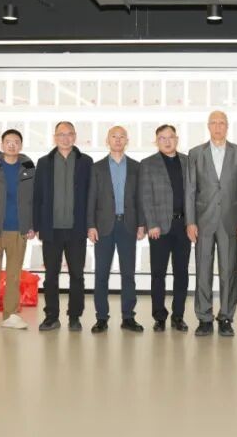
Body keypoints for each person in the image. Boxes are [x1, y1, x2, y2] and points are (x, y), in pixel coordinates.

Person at [186, 110, 237, 337]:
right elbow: (190, 190)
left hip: (230, 221)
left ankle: (225, 317)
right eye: (213, 123)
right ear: (208, 126)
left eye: (221, 123)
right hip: (203, 222)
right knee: (203, 271)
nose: (217, 127)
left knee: (228, 272)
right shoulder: (196, 153)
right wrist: (190, 221)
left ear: (227, 126)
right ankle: (204, 318)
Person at [35, 121, 93, 332]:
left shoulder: (86, 162)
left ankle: (74, 316)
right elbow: (37, 195)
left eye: (69, 134)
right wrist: (37, 225)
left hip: (77, 229)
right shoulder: (44, 162)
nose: (65, 138)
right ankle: (51, 316)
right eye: (61, 134)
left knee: (77, 275)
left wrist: (91, 224)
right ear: (55, 137)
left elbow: (91, 195)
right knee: (51, 275)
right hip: (51, 229)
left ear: (75, 136)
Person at [0, 129, 36, 332]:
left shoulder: (29, 169)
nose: (12, 145)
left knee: (14, 275)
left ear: (21, 145)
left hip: (19, 230)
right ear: (1, 144)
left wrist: (32, 225)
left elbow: (35, 200)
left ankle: (11, 315)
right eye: (8, 141)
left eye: (16, 141)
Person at [87, 126, 145, 333]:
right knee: (101, 274)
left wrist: (142, 224)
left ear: (127, 141)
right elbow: (91, 198)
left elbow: (141, 198)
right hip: (104, 227)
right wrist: (90, 225)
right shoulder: (97, 167)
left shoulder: (136, 167)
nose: (118, 140)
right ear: (107, 140)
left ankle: (128, 317)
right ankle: (101, 318)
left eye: (122, 137)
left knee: (128, 274)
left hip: (128, 225)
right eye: (114, 136)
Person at [139, 124, 192, 332]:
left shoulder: (188, 162)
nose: (167, 141)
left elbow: (194, 194)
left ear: (177, 139)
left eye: (171, 137)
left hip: (183, 226)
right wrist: (151, 223)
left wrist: (192, 222)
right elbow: (146, 196)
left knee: (182, 273)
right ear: (156, 141)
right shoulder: (148, 164)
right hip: (158, 228)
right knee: (158, 273)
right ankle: (159, 316)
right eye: (162, 138)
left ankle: (178, 316)